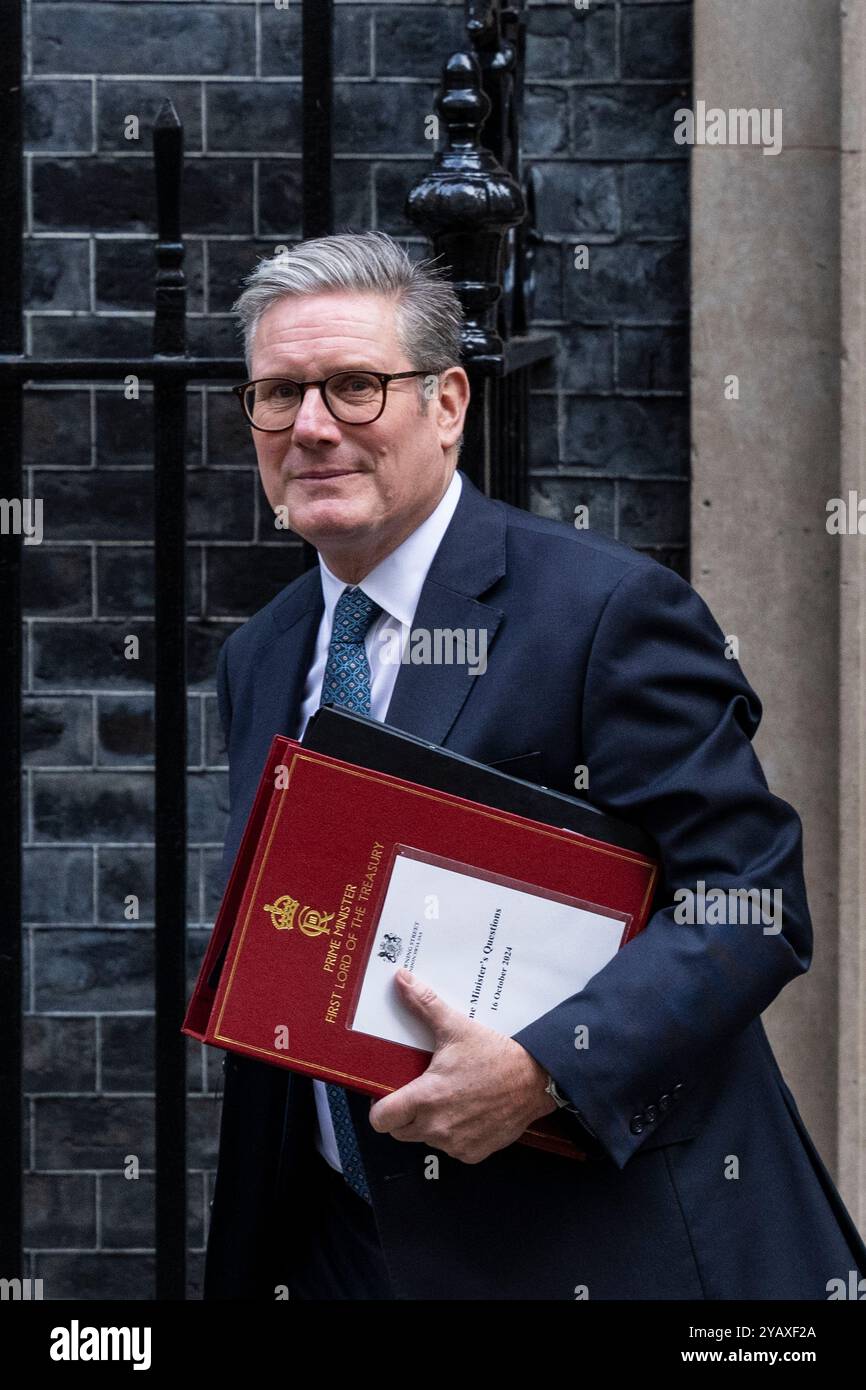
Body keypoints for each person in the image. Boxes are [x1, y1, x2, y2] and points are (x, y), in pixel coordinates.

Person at [203, 230, 866, 1300]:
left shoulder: (604, 610)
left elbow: (750, 902)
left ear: (448, 403)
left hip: (589, 1247)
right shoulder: (264, 653)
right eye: (279, 394)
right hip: (342, 1253)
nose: (313, 427)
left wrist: (545, 1068)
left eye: (356, 386)